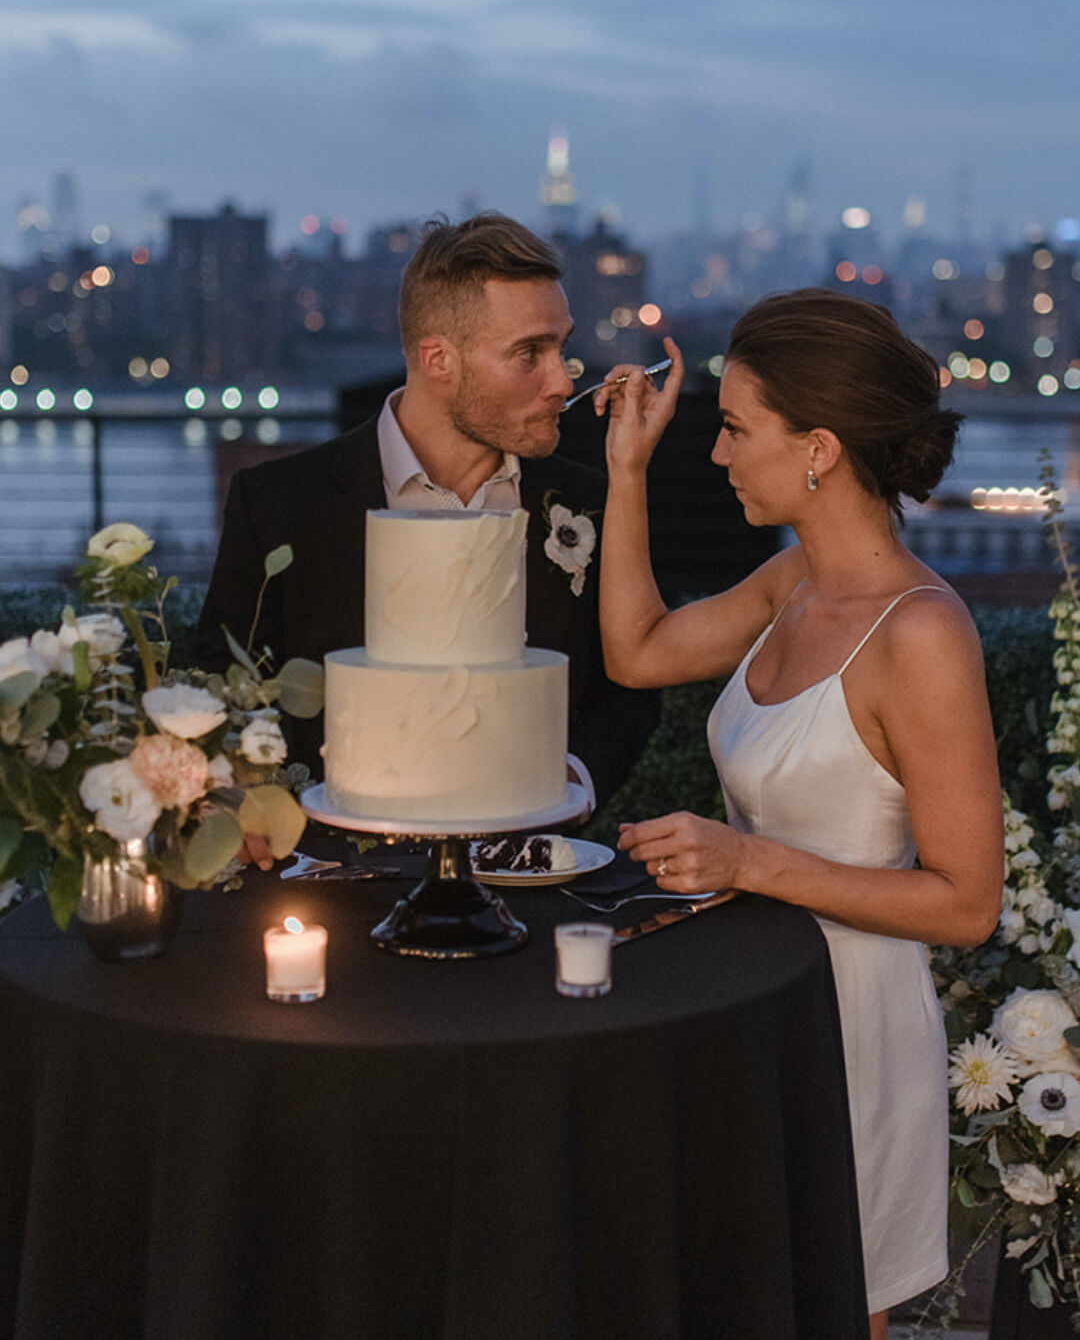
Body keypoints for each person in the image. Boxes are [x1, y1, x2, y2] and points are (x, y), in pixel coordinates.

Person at [594, 291, 1003, 1340]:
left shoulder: (922, 634)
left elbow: (965, 905)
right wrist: (626, 472)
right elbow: (636, 651)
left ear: (818, 448)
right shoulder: (794, 583)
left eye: (734, 428)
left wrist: (747, 860)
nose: (719, 454)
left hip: (852, 1037)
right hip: (757, 1012)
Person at [196, 212, 659, 813]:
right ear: (438, 359)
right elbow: (218, 683)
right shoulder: (280, 503)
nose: (562, 382)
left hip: (529, 864)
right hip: (337, 872)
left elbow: (631, 688)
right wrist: (247, 798)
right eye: (529, 354)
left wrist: (570, 777)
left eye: (561, 349)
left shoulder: (590, 502)